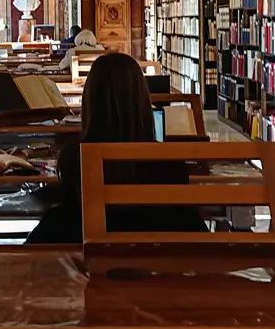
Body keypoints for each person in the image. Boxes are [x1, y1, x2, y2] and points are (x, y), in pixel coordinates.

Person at [25, 52, 204, 244]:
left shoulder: (75, 156)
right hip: (155, 254)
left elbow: (70, 208)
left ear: (90, 101)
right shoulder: (168, 160)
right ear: (143, 101)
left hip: (90, 250)